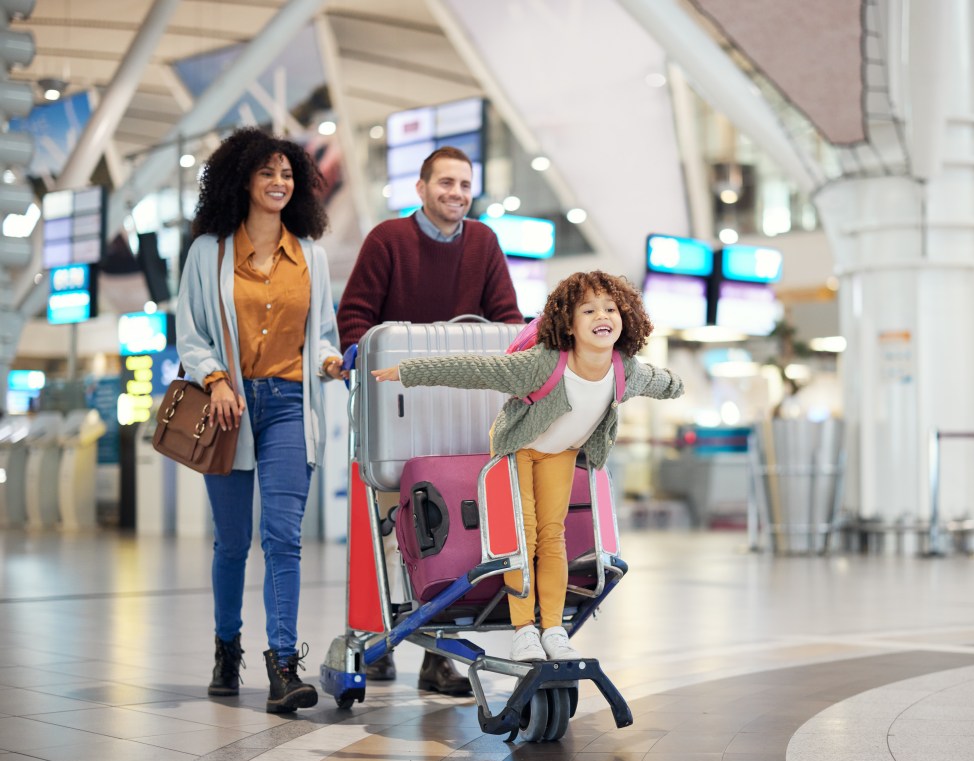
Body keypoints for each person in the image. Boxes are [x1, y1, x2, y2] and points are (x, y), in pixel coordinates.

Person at [374, 270, 684, 661]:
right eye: (588, 310)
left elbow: (660, 380)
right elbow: (475, 370)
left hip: (560, 452)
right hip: (519, 448)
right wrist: (408, 371)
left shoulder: (626, 370)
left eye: (610, 308)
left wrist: (678, 386)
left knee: (553, 536)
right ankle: (524, 631)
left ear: (625, 318)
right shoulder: (543, 364)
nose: (602, 316)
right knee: (523, 535)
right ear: (568, 325)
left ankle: (552, 628)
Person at [337, 145, 522, 693]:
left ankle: (434, 653)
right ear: (421, 189)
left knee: (447, 532)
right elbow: (354, 318)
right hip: (395, 411)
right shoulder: (387, 241)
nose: (457, 194)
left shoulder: (484, 243)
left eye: (465, 185)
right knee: (392, 531)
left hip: (459, 410)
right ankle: (374, 634)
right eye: (446, 183)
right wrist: (354, 353)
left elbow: (507, 319)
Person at [177, 127, 343, 714]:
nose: (278, 182)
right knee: (232, 543)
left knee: (283, 539)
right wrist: (215, 380)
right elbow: (191, 334)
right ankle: (227, 648)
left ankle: (282, 667)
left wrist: (329, 358)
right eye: (267, 172)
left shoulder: (312, 257)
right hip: (228, 407)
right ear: (242, 179)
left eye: (287, 174)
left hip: (291, 407)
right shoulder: (209, 252)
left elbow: (323, 331)